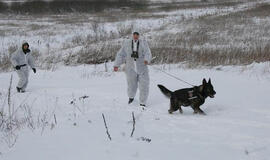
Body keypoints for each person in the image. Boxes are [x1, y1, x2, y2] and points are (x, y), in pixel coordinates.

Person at [114, 31, 152, 107]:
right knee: (131, 85)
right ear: (132, 35)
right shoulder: (127, 43)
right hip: (130, 68)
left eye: (137, 34)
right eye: (134, 34)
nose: (135, 36)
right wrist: (116, 65)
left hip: (142, 67)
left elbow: (148, 52)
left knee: (144, 85)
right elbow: (120, 54)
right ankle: (131, 98)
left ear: (139, 35)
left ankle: (142, 102)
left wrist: (146, 59)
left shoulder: (143, 43)